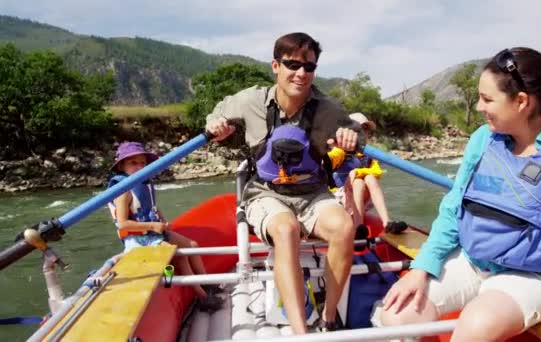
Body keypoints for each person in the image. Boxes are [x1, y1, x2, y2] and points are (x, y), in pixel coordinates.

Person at [380, 47, 541, 341]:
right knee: (396, 315)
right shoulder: (482, 138)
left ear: (521, 102)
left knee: (477, 324)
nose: (478, 107)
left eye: (487, 99)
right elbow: (454, 207)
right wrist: (421, 267)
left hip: (540, 276)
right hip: (475, 261)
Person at [205, 32, 359, 334]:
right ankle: (302, 332)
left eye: (309, 67)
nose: (301, 74)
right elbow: (215, 116)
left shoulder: (326, 109)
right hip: (265, 192)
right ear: (276, 66)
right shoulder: (250, 101)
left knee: (343, 228)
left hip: (312, 193)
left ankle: (329, 318)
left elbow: (354, 130)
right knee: (286, 228)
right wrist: (215, 125)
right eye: (292, 65)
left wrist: (352, 137)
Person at [107, 142, 223, 311]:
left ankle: (205, 284)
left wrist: (161, 219)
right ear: (121, 166)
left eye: (142, 163)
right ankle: (201, 296)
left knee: (192, 246)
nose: (139, 167)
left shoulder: (144, 184)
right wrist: (154, 226)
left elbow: (149, 207)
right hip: (139, 239)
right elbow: (123, 224)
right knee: (180, 257)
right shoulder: (123, 191)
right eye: (133, 163)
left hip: (153, 232)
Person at [328, 112, 408, 234]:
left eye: (365, 129)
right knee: (359, 182)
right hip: (339, 200)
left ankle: (387, 222)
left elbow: (377, 172)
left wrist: (358, 171)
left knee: (370, 177)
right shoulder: (340, 151)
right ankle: (358, 227)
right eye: (358, 129)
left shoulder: (368, 154)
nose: (363, 133)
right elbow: (328, 161)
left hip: (359, 199)